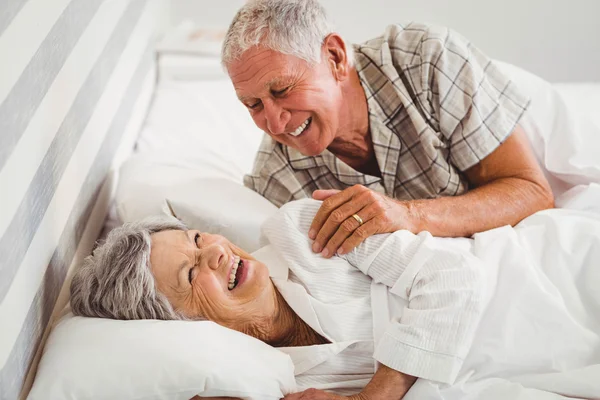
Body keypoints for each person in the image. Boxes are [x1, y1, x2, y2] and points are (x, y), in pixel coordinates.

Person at [221, 0, 554, 260]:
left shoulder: (425, 60)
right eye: (254, 105)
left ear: (335, 58)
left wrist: (409, 216)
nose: (275, 123)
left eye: (282, 91)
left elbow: (532, 192)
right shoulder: (275, 179)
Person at [70, 199, 486, 399]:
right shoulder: (284, 385)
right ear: (180, 325)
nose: (215, 250)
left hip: (534, 277)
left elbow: (455, 275)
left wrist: (376, 395)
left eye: (196, 238)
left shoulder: (302, 231)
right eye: (192, 273)